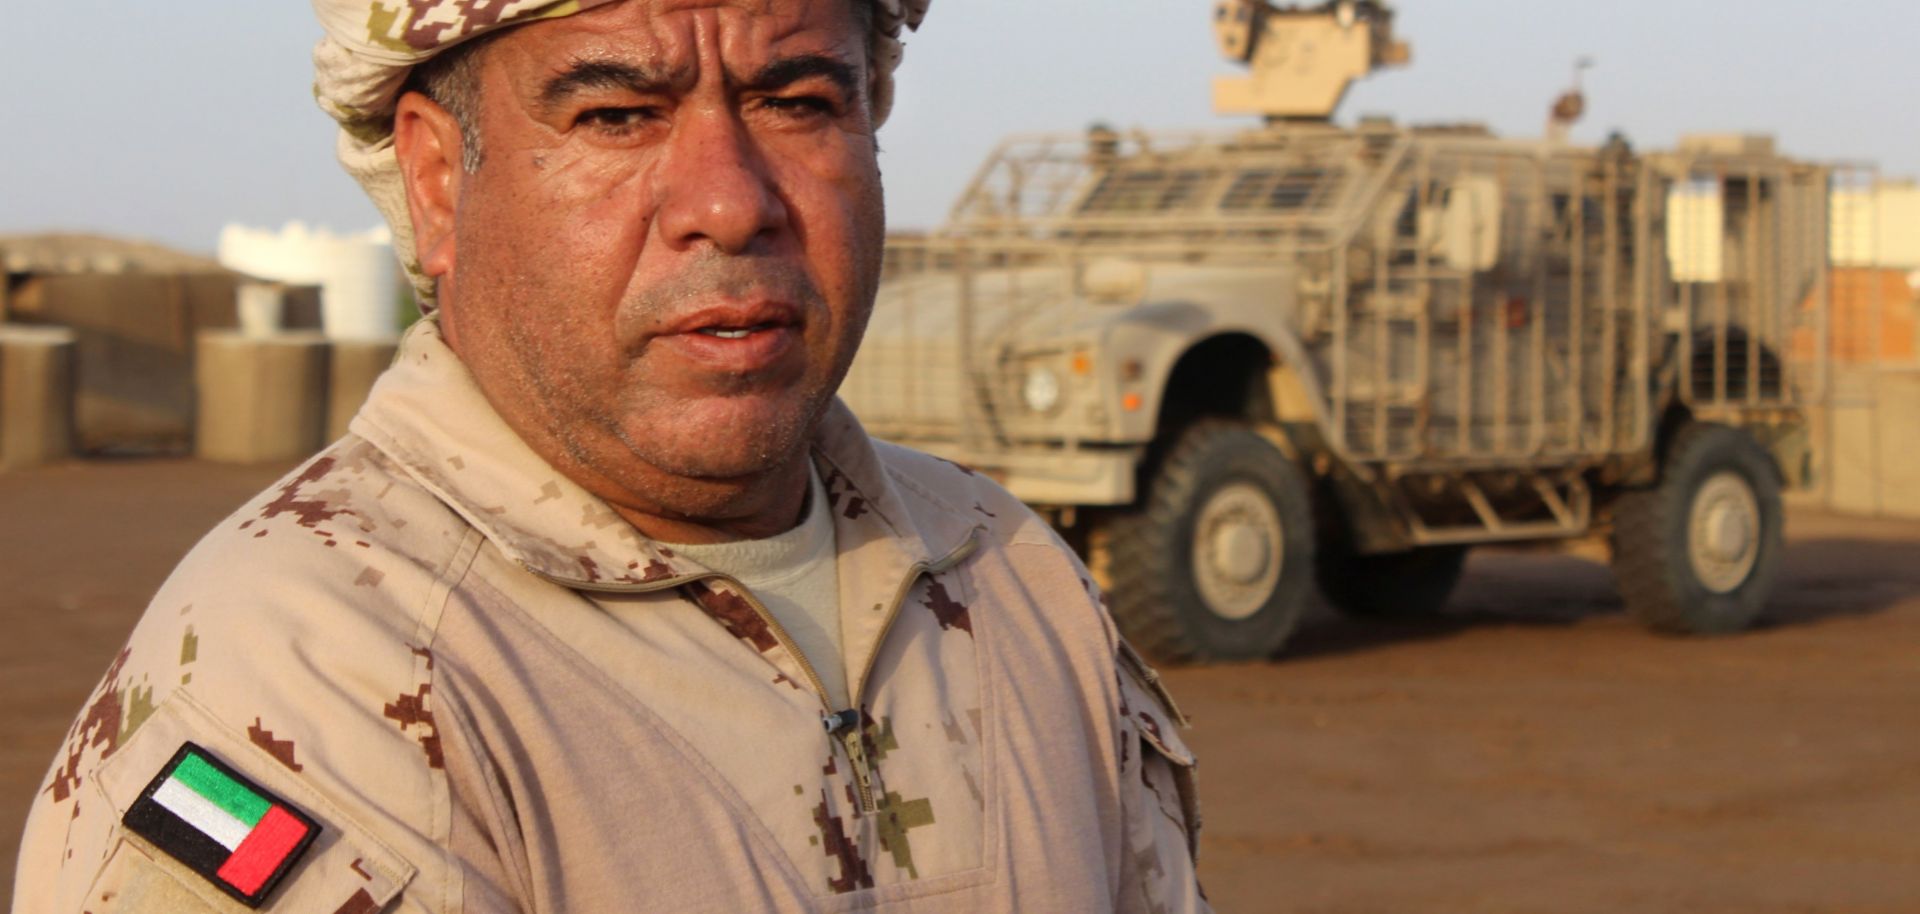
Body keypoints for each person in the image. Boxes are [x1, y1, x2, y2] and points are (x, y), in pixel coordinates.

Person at [12, 1, 1210, 911]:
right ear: (437, 181)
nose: (731, 202)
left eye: (798, 101)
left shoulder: (1010, 578)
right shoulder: (322, 678)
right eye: (617, 115)